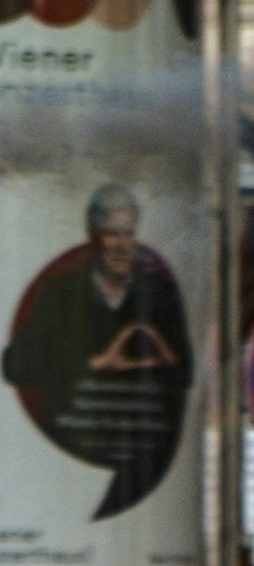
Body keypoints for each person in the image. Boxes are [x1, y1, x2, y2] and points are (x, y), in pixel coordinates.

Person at [1, 182, 192, 515]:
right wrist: (91, 362)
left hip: (138, 459)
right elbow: (15, 365)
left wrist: (155, 353)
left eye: (130, 234)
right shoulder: (60, 293)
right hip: (65, 462)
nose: (123, 246)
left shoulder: (158, 295)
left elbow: (187, 372)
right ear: (92, 236)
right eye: (112, 234)